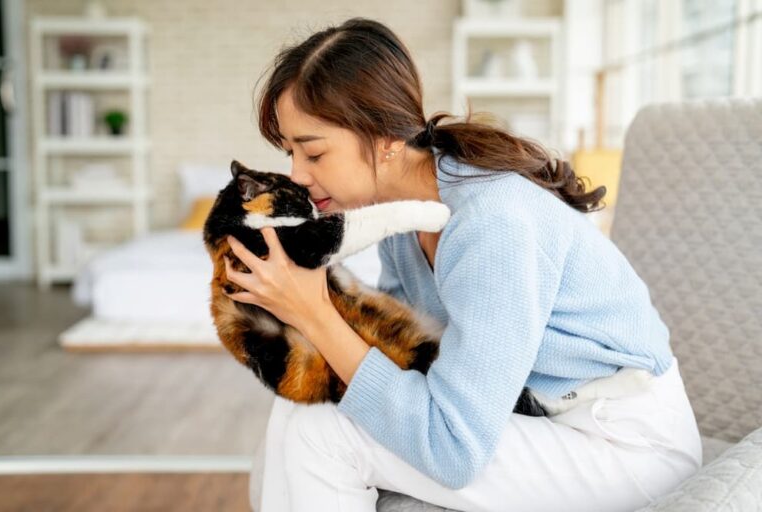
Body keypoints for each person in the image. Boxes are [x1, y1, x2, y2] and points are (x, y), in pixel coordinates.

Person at [223, 17, 702, 512]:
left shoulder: (491, 223)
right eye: (289, 152)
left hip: (625, 447)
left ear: (385, 138)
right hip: (538, 418)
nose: (296, 176)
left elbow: (453, 449)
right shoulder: (405, 220)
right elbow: (405, 350)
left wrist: (315, 314)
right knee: (299, 405)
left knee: (323, 430)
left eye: (313, 152)